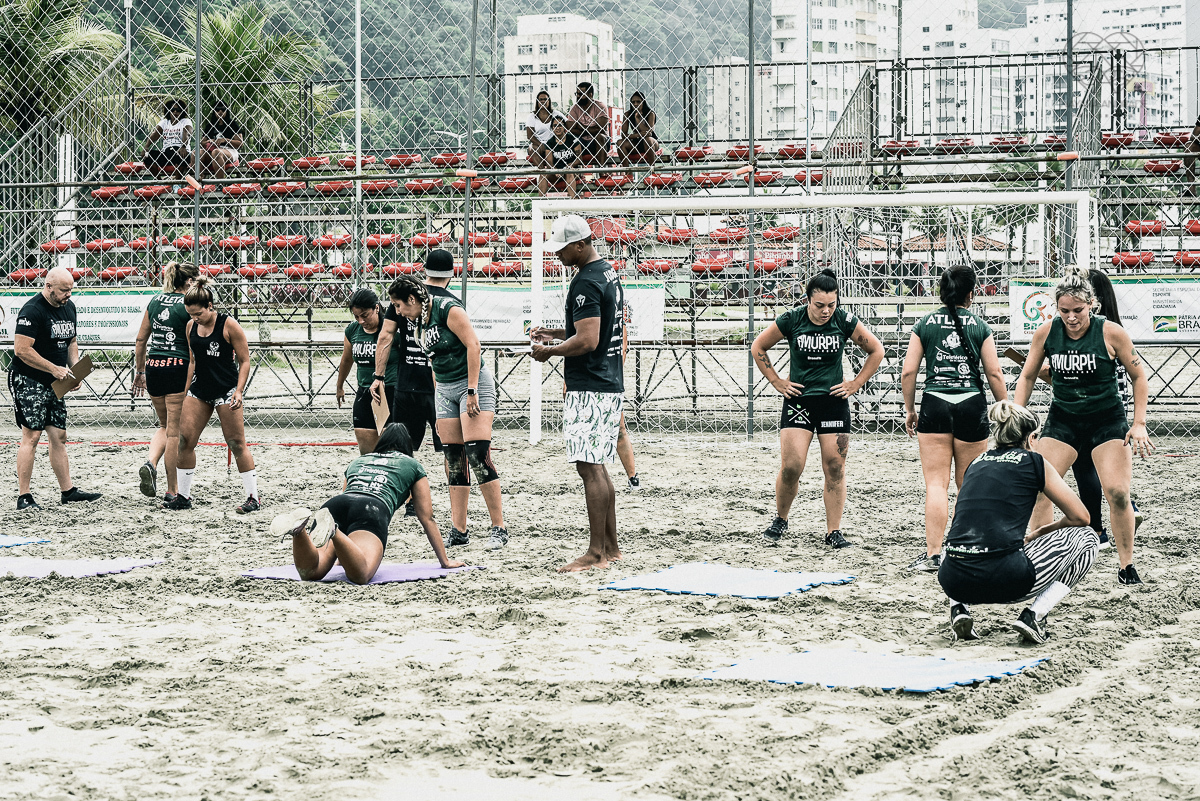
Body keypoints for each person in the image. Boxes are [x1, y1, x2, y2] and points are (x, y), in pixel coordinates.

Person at [1014, 267, 1153, 584]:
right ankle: (1043, 559)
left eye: (1078, 310)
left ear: (1092, 304)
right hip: (1064, 419)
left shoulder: (1110, 332)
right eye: (1064, 311)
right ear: (1056, 308)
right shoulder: (1048, 332)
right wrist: (1017, 417)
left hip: (1106, 420)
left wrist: (1140, 422)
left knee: (1117, 492)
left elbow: (1139, 376)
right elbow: (1027, 375)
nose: (1072, 317)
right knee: (1039, 488)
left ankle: (1126, 566)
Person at [939, 401, 1098, 645]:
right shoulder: (1035, 461)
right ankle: (1034, 615)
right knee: (1088, 537)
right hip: (1009, 580)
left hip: (954, 580)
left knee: (953, 539)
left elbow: (958, 518)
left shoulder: (976, 463)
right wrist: (1042, 531)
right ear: (1031, 437)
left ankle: (958, 608)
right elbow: (1081, 517)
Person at [750, 268, 885, 549]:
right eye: (819, 305)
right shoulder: (791, 319)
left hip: (833, 402)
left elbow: (877, 351)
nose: (826, 311)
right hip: (799, 401)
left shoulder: (844, 321)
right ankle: (781, 519)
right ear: (808, 300)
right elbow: (758, 347)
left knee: (835, 467)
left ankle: (833, 531)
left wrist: (855, 383)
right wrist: (776, 380)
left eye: (831, 305)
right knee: (791, 466)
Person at [386, 272, 509, 550]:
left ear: (412, 299)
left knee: (477, 454)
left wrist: (472, 390)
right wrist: (438, 401)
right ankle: (459, 529)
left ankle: (498, 527)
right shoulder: (417, 324)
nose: (397, 311)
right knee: (454, 459)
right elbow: (433, 365)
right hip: (444, 388)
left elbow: (473, 344)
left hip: (471, 383)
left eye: (399, 305)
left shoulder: (446, 309)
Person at [531, 215, 626, 572]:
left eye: (562, 249)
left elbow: (587, 340)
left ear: (581, 244)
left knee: (589, 468)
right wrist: (555, 334)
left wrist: (548, 352)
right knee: (599, 467)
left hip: (590, 383)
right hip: (607, 379)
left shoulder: (585, 282)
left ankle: (596, 554)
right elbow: (588, 329)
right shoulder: (606, 272)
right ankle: (611, 549)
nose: (557, 256)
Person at [900, 265, 1008, 572]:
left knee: (936, 484)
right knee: (968, 484)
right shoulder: (980, 326)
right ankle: (969, 548)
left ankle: (934, 554)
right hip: (971, 405)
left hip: (935, 404)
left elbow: (908, 372)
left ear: (940, 291)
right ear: (971, 294)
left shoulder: (924, 323)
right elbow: (995, 373)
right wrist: (1006, 408)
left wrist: (910, 410)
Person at [270, 424, 465, 585]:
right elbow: (427, 517)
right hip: (372, 509)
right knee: (360, 575)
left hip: (335, 505)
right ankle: (334, 532)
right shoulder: (412, 465)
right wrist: (444, 561)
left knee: (312, 572)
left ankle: (299, 531)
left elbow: (346, 497)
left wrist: (340, 557)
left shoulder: (359, 461)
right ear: (407, 446)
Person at [10, 267, 102, 510]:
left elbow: (71, 340)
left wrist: (74, 369)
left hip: (56, 381)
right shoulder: (32, 310)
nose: (68, 295)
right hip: (29, 379)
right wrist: (53, 368)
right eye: (63, 290)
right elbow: (21, 350)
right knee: (32, 435)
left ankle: (67, 491)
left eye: (71, 290)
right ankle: (24, 496)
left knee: (59, 435)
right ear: (48, 286)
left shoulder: (68, 308)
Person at [170, 278, 259, 513]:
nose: (194, 318)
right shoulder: (191, 327)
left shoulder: (229, 325)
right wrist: (185, 391)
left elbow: (245, 361)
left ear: (210, 305)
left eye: (198, 313)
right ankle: (183, 496)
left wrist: (239, 392)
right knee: (184, 441)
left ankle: (253, 497)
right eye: (190, 314)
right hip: (200, 391)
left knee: (236, 443)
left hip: (226, 390)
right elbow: (193, 360)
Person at [132, 260, 200, 503]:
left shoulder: (155, 300)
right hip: (177, 367)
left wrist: (140, 372)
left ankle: (151, 462)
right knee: (174, 433)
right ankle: (172, 489)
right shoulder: (188, 305)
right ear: (190, 282)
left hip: (153, 368)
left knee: (163, 425)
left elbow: (141, 340)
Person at [337, 288, 399, 455]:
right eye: (356, 316)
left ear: (376, 308)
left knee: (390, 447)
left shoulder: (391, 329)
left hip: (390, 390)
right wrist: (339, 386)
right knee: (365, 443)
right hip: (364, 390)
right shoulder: (353, 330)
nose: (361, 321)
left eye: (365, 315)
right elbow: (346, 359)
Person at [142, 100, 193, 174]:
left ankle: (177, 181)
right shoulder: (165, 122)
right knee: (147, 156)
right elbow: (155, 134)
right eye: (172, 110)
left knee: (183, 156)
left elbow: (187, 132)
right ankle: (159, 182)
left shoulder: (185, 121)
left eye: (178, 110)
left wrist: (183, 146)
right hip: (166, 153)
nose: (175, 112)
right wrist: (146, 146)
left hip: (180, 151)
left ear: (182, 111)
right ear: (168, 111)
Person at [566, 82, 609, 165]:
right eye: (577, 93)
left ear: (590, 95)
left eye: (581, 94)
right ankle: (573, 174)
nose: (578, 96)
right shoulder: (575, 108)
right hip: (580, 142)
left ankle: (602, 173)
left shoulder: (600, 106)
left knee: (600, 137)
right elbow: (570, 129)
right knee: (570, 139)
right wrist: (593, 130)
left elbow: (601, 130)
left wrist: (580, 126)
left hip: (597, 142)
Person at [538, 115, 582, 199]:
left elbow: (579, 158)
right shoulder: (550, 143)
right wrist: (555, 170)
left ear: (564, 126)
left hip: (572, 170)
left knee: (569, 173)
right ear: (552, 128)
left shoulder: (572, 139)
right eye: (555, 126)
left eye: (560, 125)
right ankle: (541, 200)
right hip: (557, 172)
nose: (557, 128)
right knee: (543, 174)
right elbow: (549, 162)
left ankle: (572, 202)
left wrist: (570, 165)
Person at [199, 100, 243, 179]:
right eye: (217, 109)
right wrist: (209, 141)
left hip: (229, 150)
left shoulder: (232, 124)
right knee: (196, 153)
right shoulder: (210, 125)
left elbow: (240, 143)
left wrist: (226, 140)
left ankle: (220, 183)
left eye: (223, 109)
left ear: (226, 111)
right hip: (212, 150)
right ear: (214, 111)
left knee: (216, 152)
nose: (220, 111)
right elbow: (202, 143)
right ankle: (199, 182)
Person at [618, 91, 659, 168]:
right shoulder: (628, 114)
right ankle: (627, 171)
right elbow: (623, 135)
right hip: (636, 141)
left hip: (651, 142)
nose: (635, 104)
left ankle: (652, 169)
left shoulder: (650, 113)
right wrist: (637, 135)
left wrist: (637, 118)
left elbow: (649, 132)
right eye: (633, 102)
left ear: (643, 102)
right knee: (620, 143)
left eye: (638, 102)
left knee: (648, 140)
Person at [525, 91, 555, 169]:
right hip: (538, 144)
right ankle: (543, 172)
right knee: (532, 148)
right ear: (537, 102)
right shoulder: (532, 116)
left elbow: (567, 125)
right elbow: (529, 135)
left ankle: (552, 172)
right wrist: (540, 144)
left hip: (553, 144)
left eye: (545, 99)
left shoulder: (555, 114)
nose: (542, 101)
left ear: (549, 101)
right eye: (540, 99)